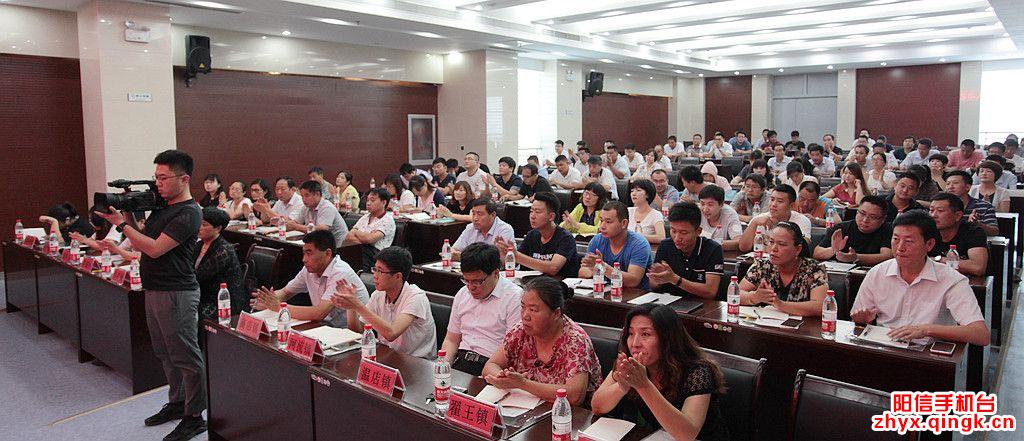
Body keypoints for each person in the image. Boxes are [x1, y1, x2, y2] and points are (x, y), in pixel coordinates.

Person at [94, 150, 206, 440]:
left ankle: (195, 416)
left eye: (163, 178)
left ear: (184, 179)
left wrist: (121, 224)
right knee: (165, 352)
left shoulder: (189, 212)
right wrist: (128, 212)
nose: (158, 183)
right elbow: (142, 237)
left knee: (185, 355)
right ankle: (178, 402)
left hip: (177, 292)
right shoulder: (163, 207)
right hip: (155, 288)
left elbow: (155, 249)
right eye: (156, 177)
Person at [850, 210, 989, 346]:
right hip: (885, 348)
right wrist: (861, 319)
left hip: (929, 353)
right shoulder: (877, 273)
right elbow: (858, 319)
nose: (900, 248)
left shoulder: (951, 280)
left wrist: (926, 330)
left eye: (909, 241)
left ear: (929, 244)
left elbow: (980, 335)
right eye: (896, 239)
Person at [592, 303, 728, 440]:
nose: (635, 343)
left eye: (645, 334)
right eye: (631, 333)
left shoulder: (698, 372)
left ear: (667, 339)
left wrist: (643, 385)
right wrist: (622, 386)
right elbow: (597, 407)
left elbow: (687, 435)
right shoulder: (630, 362)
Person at [482, 277, 602, 405]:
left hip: (568, 413)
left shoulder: (575, 340)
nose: (525, 316)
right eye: (523, 307)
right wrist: (504, 378)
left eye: (533, 310)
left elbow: (575, 396)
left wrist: (523, 384)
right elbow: (490, 366)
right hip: (526, 406)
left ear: (556, 314)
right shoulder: (521, 330)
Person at [331, 247, 437, 359]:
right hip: (389, 356)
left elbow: (392, 333)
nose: (375, 275)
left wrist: (358, 305)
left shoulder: (416, 297)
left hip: (417, 362)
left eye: (380, 271)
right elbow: (358, 332)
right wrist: (351, 307)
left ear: (397, 276)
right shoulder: (378, 295)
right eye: (375, 269)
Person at [252, 229, 368, 328]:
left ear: (328, 253)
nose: (304, 259)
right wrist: (268, 300)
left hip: (350, 333)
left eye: (309, 253)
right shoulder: (309, 269)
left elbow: (319, 313)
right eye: (304, 253)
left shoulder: (340, 273)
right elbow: (286, 292)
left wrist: (279, 307)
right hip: (325, 327)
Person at [440, 243, 523, 376]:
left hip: (492, 366)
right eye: (466, 280)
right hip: (461, 361)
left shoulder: (514, 297)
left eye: (477, 282)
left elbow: (511, 348)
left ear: (496, 273)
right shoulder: (462, 294)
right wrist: (443, 369)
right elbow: (451, 340)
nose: (471, 287)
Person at [738, 222, 828, 317]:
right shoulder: (762, 266)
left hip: (803, 325)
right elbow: (735, 293)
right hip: (766, 323)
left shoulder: (814, 269)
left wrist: (780, 304)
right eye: (771, 242)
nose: (773, 249)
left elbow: (820, 306)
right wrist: (754, 297)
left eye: (781, 244)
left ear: (798, 249)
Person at [647, 202, 724, 299]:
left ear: (698, 231)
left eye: (683, 233)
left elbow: (710, 292)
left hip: (702, 305)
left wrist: (675, 279)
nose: (677, 238)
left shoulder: (713, 249)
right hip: (669, 301)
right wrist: (657, 279)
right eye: (673, 231)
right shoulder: (665, 246)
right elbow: (653, 287)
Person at [495, 192, 577, 277]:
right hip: (529, 282)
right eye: (531, 211)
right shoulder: (531, 235)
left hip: (556, 284)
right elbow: (514, 263)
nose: (532, 216)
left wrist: (517, 256)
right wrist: (505, 255)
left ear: (551, 216)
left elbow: (553, 268)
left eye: (537, 212)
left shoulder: (565, 238)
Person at [579, 201, 653, 289]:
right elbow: (582, 272)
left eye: (608, 222)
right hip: (606, 291)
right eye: (601, 221)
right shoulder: (597, 240)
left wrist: (601, 266)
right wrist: (594, 268)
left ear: (624, 223)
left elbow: (633, 281)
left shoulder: (639, 244)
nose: (602, 226)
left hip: (634, 294)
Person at [194, 208, 245, 324]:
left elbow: (200, 276)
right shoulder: (199, 245)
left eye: (204, 225)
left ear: (218, 228)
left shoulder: (223, 250)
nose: (199, 228)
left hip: (220, 300)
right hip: (201, 293)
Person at [813, 195, 893, 265]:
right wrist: (834, 249)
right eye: (862, 213)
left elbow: (887, 256)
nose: (865, 220)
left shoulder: (888, 229)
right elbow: (817, 253)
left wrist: (856, 257)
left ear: (883, 219)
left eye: (872, 217)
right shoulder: (842, 228)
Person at [928, 193, 988, 277]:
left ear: (957, 215)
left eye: (940, 211)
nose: (933, 215)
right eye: (931, 210)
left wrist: (937, 260)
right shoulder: (927, 231)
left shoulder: (973, 232)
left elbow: (978, 268)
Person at [739, 185, 812, 251]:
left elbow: (803, 246)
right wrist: (754, 223)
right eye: (772, 199)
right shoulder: (759, 219)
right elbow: (743, 248)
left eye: (780, 201)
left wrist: (765, 248)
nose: (773, 204)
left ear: (791, 206)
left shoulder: (801, 220)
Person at [344, 187, 397, 272]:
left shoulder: (387, 220)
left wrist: (357, 233)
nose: (368, 203)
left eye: (372, 200)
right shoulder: (365, 217)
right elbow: (349, 236)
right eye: (367, 200)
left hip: (376, 256)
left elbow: (370, 239)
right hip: (360, 250)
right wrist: (364, 238)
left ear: (383, 203)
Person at [287, 180, 349, 246]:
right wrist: (286, 224)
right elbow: (295, 222)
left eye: (307, 196)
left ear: (317, 194)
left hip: (337, 245)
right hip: (320, 241)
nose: (304, 200)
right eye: (302, 196)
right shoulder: (305, 207)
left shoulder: (327, 207)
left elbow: (322, 230)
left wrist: (296, 227)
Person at [945, 170, 999, 235]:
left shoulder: (985, 206)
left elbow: (994, 232)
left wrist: (977, 224)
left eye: (955, 183)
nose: (950, 187)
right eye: (948, 184)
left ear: (967, 187)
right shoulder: (940, 206)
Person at [697, 185, 742, 250]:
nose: (705, 209)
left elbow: (738, 242)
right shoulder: (697, 212)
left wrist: (709, 244)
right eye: (702, 204)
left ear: (721, 204)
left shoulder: (730, 214)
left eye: (710, 205)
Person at [627, 179, 667, 245]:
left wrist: (641, 236)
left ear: (647, 194)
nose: (633, 194)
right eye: (632, 191)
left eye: (638, 190)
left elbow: (661, 237)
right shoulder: (628, 211)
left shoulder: (656, 215)